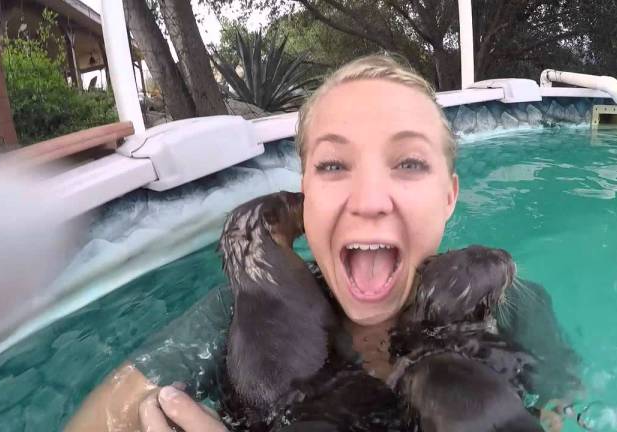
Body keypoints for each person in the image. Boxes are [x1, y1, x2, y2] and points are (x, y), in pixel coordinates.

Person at [65, 54, 579, 432]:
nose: (370, 199)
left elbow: (565, 412)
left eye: (409, 163)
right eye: (333, 165)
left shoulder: (515, 307)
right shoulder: (232, 317)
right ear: (306, 196)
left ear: (449, 197)